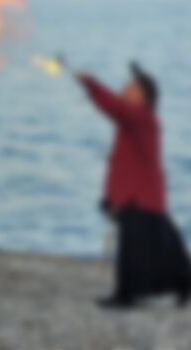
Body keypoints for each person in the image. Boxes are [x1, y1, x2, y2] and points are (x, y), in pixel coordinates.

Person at [76, 63, 190, 308]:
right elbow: (122, 162)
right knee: (161, 249)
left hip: (140, 198)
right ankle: (176, 288)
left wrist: (91, 83)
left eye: (133, 86)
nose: (125, 87)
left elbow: (114, 107)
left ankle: (127, 296)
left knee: (138, 251)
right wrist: (110, 198)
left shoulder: (140, 118)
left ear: (143, 96)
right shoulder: (135, 120)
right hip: (140, 196)